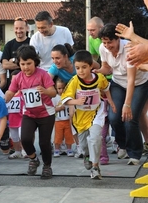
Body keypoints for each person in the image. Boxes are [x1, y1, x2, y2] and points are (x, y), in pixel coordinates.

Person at [94, 23, 148, 165]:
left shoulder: (129, 48)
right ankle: (122, 144)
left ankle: (135, 153)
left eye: (110, 42)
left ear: (118, 39)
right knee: (114, 117)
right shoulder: (103, 48)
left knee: (130, 117)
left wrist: (127, 104)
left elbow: (131, 80)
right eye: (104, 42)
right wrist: (98, 72)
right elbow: (107, 68)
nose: (107, 45)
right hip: (118, 82)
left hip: (138, 84)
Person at [4, 45, 57, 179]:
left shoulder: (43, 74)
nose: (26, 67)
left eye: (29, 64)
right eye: (23, 64)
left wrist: (45, 91)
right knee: (25, 139)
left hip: (46, 113)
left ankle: (47, 166)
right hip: (29, 113)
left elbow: (53, 92)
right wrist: (4, 99)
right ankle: (33, 159)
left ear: (35, 62)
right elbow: (10, 92)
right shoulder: (18, 77)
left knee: (44, 143)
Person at [61, 50, 116, 179]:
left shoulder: (99, 78)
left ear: (91, 66)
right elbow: (65, 98)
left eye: (84, 67)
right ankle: (86, 156)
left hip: (96, 113)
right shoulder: (74, 81)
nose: (81, 71)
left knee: (96, 138)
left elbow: (106, 88)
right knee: (84, 145)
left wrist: (111, 102)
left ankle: (96, 167)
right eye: (78, 68)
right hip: (80, 117)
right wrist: (76, 101)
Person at [1, 17, 30, 86]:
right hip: (13, 83)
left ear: (27, 28)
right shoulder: (9, 45)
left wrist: (13, 61)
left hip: (29, 81)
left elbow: (34, 63)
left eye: (21, 28)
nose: (18, 31)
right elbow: (4, 65)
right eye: (16, 28)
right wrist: (25, 64)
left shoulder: (32, 42)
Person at [52, 78, 74, 157]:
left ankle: (69, 149)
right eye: (59, 88)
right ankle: (57, 149)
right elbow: (52, 109)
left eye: (63, 88)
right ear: (56, 88)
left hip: (68, 120)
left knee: (68, 136)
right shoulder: (54, 98)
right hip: (58, 121)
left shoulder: (69, 97)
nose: (61, 90)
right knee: (58, 136)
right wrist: (59, 108)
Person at [7, 69, 24, 159]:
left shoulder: (23, 92)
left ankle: (25, 151)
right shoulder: (9, 93)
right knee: (14, 137)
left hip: (22, 118)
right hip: (12, 119)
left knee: (22, 136)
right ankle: (17, 151)